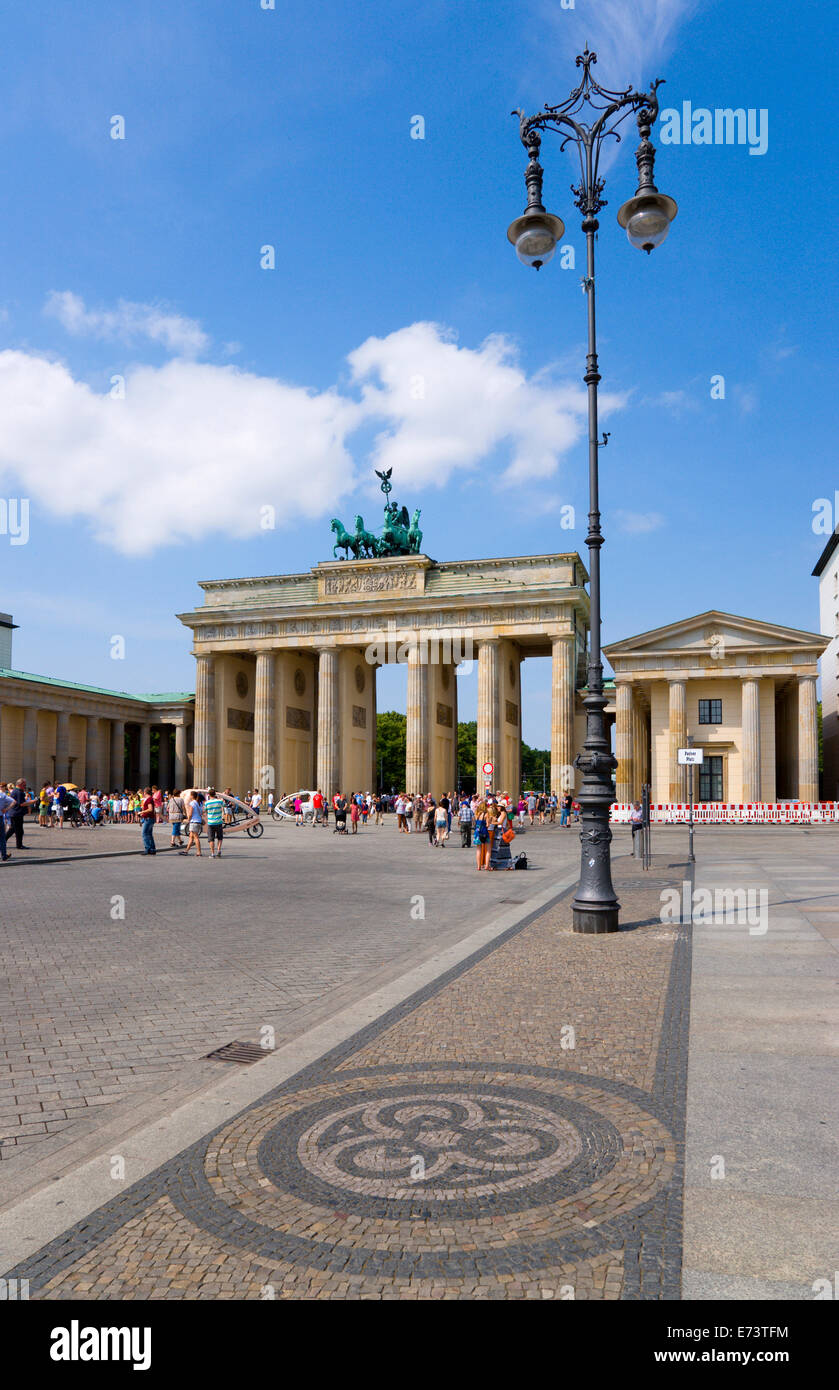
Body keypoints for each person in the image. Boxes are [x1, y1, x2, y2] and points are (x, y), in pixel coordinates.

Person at [8, 779, 33, 848]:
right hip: (16, 813)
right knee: (19, 831)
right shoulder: (18, 792)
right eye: (24, 785)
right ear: (20, 785)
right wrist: (32, 801)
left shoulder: (16, 791)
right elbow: (21, 804)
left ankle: (18, 844)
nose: (25, 786)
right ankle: (19, 845)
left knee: (14, 829)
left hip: (15, 813)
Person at [205, 787, 225, 857]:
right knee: (220, 837)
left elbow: (205, 811)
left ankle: (212, 853)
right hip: (219, 822)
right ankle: (219, 850)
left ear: (208, 795)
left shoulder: (207, 803)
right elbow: (224, 805)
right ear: (215, 794)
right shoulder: (219, 801)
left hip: (211, 822)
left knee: (211, 839)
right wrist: (220, 798)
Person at [0, 782, 16, 862]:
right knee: (2, 838)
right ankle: (4, 855)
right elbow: (14, 802)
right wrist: (6, 809)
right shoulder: (3, 795)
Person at [473, 800, 490, 871]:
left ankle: (478, 866)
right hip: (484, 832)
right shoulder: (486, 814)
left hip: (477, 833)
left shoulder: (476, 814)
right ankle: (486, 865)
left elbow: (475, 823)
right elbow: (488, 825)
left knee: (478, 850)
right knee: (488, 849)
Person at [140, 787, 156, 854]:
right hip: (150, 818)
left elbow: (150, 809)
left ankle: (148, 848)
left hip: (148, 818)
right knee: (149, 834)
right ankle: (152, 849)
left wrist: (142, 812)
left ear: (145, 792)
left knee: (144, 834)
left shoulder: (149, 799)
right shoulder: (150, 799)